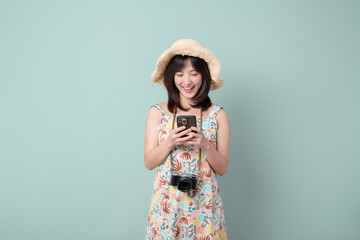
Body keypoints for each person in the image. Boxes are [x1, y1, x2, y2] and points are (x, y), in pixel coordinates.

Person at [144, 39, 230, 240]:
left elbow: (223, 168)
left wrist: (206, 145)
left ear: (204, 76)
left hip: (205, 203)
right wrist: (170, 142)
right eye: (180, 74)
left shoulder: (217, 114)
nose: (187, 81)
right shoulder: (157, 112)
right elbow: (149, 162)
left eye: (194, 73)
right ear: (171, 76)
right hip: (167, 203)